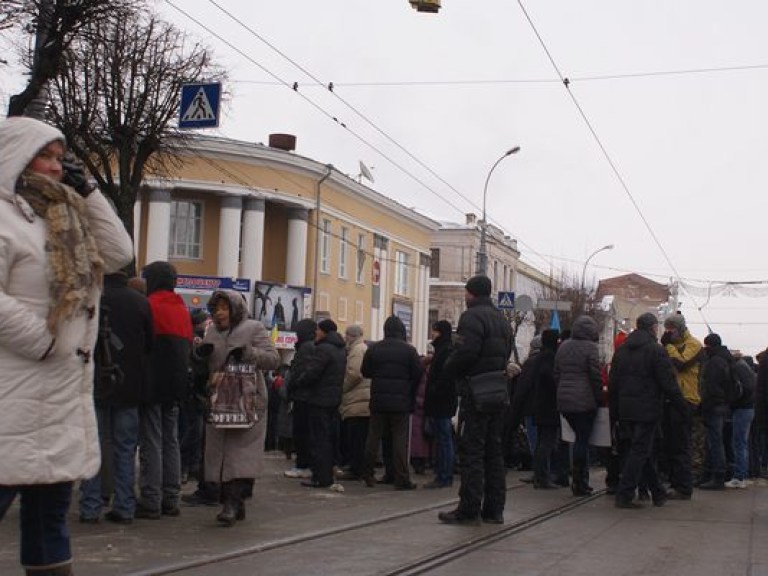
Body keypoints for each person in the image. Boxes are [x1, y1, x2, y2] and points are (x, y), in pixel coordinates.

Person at [0, 116, 133, 575]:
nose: (57, 168)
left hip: (58, 401)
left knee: (49, 523)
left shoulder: (65, 216)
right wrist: (43, 342)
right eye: (47, 156)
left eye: (61, 158)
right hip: (11, 399)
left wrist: (90, 191)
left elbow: (118, 253)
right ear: (15, 154)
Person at [79, 272, 153, 525]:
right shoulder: (141, 302)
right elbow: (149, 345)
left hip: (96, 384)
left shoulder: (94, 298)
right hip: (129, 386)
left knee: (93, 446)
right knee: (125, 448)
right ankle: (125, 507)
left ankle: (90, 507)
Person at [199, 290, 279, 526]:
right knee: (219, 453)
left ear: (235, 309)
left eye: (224, 308)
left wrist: (249, 353)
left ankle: (232, 503)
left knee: (239, 452)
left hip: (247, 400)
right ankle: (233, 501)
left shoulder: (254, 328)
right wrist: (199, 355)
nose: (220, 313)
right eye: (216, 309)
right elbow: (208, 365)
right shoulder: (212, 332)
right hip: (219, 399)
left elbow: (273, 358)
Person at [438, 275, 513, 526]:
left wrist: (448, 370)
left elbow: (466, 352)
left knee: (472, 451)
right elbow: (505, 354)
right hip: (498, 392)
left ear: (471, 293)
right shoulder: (502, 321)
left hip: (476, 392)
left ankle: (469, 508)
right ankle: (494, 510)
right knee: (494, 451)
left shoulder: (471, 317)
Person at [609, 313, 688, 508]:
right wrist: (683, 408)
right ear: (653, 327)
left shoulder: (621, 351)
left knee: (640, 451)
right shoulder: (656, 350)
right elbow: (668, 383)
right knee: (640, 451)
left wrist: (614, 412)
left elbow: (613, 383)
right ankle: (625, 494)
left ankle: (657, 492)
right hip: (647, 409)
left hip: (626, 409)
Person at [136, 261, 192, 519]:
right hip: (177, 385)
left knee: (151, 442)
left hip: (151, 383)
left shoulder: (149, 305)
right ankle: (172, 498)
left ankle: (151, 499)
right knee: (171, 441)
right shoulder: (182, 309)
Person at [361, 315, 423, 491]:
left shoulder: (374, 349)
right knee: (399, 440)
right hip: (401, 402)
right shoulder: (409, 350)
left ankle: (368, 473)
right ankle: (401, 478)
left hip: (378, 401)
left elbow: (365, 371)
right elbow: (418, 373)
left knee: (373, 438)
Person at [292, 319, 346, 489]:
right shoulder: (340, 349)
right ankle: (326, 475)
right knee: (328, 438)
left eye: (318, 330)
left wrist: (300, 381)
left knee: (319, 439)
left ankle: (321, 477)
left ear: (323, 331)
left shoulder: (323, 349)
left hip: (319, 399)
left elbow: (312, 372)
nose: (316, 332)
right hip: (333, 399)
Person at [554, 315, 603, 496]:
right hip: (584, 400)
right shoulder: (591, 348)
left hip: (564, 400)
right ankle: (579, 481)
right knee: (583, 439)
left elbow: (556, 372)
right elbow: (595, 375)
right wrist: (598, 398)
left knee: (571, 438)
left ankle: (577, 478)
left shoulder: (563, 346)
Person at [660, 313, 703, 499]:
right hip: (671, 397)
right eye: (667, 329)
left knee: (681, 444)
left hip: (686, 399)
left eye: (672, 329)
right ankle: (674, 482)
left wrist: (668, 346)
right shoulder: (672, 346)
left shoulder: (694, 344)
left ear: (681, 328)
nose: (670, 332)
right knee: (670, 443)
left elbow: (681, 364)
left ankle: (684, 487)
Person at [698, 333, 736, 490]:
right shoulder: (725, 359)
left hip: (714, 406)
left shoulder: (715, 362)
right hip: (723, 405)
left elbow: (711, 387)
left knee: (715, 442)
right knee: (715, 441)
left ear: (709, 346)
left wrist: (704, 405)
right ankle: (711, 474)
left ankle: (717, 476)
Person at [423, 320, 457, 489]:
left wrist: (434, 390)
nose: (432, 334)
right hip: (443, 400)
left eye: (434, 331)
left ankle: (444, 476)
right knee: (443, 438)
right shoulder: (444, 349)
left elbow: (444, 377)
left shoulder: (445, 350)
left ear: (441, 332)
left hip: (441, 401)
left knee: (444, 439)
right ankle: (443, 474)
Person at [283, 319, 317, 479]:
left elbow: (299, 372)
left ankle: (303, 465)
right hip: (309, 397)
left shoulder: (305, 348)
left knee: (301, 432)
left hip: (302, 397)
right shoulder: (313, 346)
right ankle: (306, 464)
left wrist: (291, 387)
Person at [339, 325, 372, 481]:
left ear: (351, 336)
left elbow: (354, 374)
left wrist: (343, 389)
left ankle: (356, 469)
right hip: (362, 399)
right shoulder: (362, 348)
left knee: (356, 439)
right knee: (359, 438)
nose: (345, 337)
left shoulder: (357, 350)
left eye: (346, 334)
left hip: (357, 400)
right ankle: (359, 468)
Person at [529, 330, 561, 489]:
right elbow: (549, 377)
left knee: (542, 441)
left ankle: (539, 475)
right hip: (549, 406)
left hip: (540, 404)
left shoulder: (539, 357)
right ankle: (542, 477)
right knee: (547, 442)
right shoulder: (550, 357)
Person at [727, 353, 756, 488]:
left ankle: (739, 477)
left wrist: (733, 401)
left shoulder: (737, 369)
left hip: (742, 409)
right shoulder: (745, 368)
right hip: (748, 408)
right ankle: (742, 474)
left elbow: (740, 390)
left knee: (738, 443)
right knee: (741, 443)